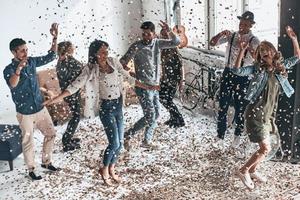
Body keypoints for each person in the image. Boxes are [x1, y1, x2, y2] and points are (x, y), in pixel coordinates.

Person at [44, 39, 157, 185]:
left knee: (120, 143)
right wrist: (56, 98)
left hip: (118, 106)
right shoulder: (90, 69)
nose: (105, 54)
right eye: (102, 52)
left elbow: (128, 78)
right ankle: (104, 169)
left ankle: (112, 168)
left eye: (106, 51)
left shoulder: (114, 62)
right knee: (114, 143)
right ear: (95, 54)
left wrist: (147, 87)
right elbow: (74, 86)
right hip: (107, 109)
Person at [233, 26, 300, 189]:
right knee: (265, 148)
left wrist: (294, 39)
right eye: (260, 50)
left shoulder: (280, 67)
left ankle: (254, 170)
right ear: (259, 55)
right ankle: (244, 170)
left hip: (268, 115)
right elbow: (237, 70)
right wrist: (241, 51)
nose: (263, 51)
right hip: (255, 114)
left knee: (266, 148)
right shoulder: (257, 69)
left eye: (266, 49)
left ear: (272, 51)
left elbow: (297, 57)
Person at [3, 23, 60, 180]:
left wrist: (55, 37)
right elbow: (13, 84)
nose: (25, 52)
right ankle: (31, 170)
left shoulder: (32, 62)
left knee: (51, 134)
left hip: (40, 108)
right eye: (22, 50)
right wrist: (19, 68)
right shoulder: (8, 69)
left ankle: (46, 162)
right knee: (28, 141)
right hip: (25, 113)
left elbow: (52, 56)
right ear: (14, 52)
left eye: (26, 49)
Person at [120, 21, 180, 149]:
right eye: (143, 34)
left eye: (148, 34)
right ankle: (128, 135)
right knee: (149, 116)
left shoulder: (158, 43)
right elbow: (122, 61)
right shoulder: (136, 46)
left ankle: (146, 141)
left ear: (154, 33)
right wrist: (127, 70)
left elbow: (176, 42)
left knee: (156, 114)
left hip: (155, 87)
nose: (145, 36)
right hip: (143, 87)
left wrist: (169, 31)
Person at [209, 11, 260, 148]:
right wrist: (220, 34)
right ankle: (220, 136)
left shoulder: (254, 40)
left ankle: (237, 136)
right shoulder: (231, 35)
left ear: (251, 25)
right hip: (228, 72)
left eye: (245, 23)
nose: (242, 25)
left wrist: (248, 48)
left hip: (243, 76)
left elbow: (258, 60)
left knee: (240, 107)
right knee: (223, 105)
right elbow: (212, 44)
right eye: (241, 22)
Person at [56, 41, 83, 152]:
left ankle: (68, 137)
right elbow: (70, 76)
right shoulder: (65, 62)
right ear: (67, 49)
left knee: (76, 116)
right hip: (71, 93)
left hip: (72, 91)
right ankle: (66, 142)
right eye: (72, 47)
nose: (74, 48)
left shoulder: (65, 60)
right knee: (76, 117)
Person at [159, 28, 185, 128]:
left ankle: (179, 119)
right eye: (163, 35)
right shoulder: (163, 49)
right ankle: (174, 118)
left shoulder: (174, 49)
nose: (164, 37)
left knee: (167, 100)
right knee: (163, 98)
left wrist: (182, 81)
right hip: (165, 79)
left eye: (166, 35)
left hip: (173, 79)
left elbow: (181, 66)